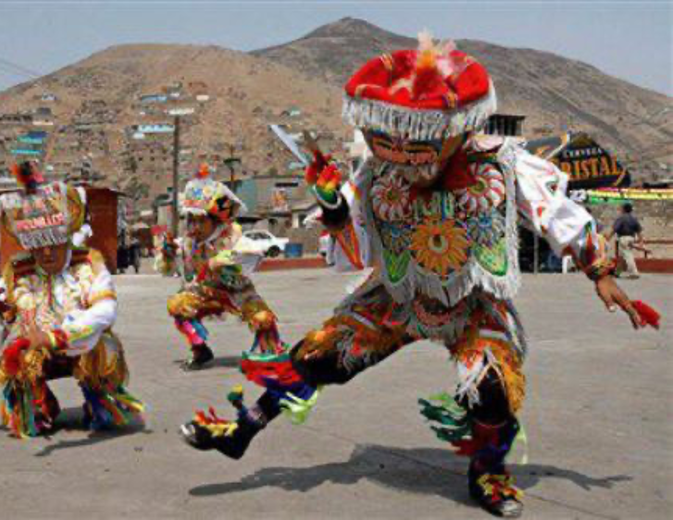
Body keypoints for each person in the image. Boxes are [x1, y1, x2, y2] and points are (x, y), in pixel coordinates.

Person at [180, 36, 656, 518]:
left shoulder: (502, 163)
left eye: (419, 145)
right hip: (397, 295)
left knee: (490, 389)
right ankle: (243, 431)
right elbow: (354, 247)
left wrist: (598, 269)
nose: (407, 159)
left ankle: (488, 471)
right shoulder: (374, 174)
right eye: (393, 144)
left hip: (472, 301)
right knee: (318, 356)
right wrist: (334, 208)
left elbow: (554, 212)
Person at [0, 161, 144, 438]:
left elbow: (105, 311)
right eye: (37, 245)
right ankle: (39, 407)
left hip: (80, 347)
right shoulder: (15, 272)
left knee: (103, 347)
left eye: (53, 243)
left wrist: (56, 337)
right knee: (19, 355)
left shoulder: (89, 264)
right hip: (37, 351)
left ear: (66, 237)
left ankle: (100, 401)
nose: (45, 253)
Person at [156, 163, 283, 370]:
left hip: (238, 290)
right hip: (204, 291)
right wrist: (168, 253)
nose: (194, 227)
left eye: (200, 222)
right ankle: (200, 351)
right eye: (191, 221)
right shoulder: (189, 242)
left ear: (216, 222)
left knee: (262, 318)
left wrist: (228, 259)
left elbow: (250, 251)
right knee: (178, 304)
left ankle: (273, 353)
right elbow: (169, 269)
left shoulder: (233, 237)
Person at [606, 203, 643, 279]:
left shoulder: (621, 218)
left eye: (621, 208)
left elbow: (614, 230)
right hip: (631, 238)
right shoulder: (634, 219)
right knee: (621, 257)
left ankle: (634, 273)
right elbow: (639, 231)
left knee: (628, 255)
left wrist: (607, 238)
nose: (620, 210)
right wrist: (640, 242)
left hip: (623, 239)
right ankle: (617, 272)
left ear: (623, 209)